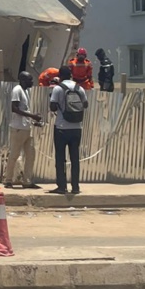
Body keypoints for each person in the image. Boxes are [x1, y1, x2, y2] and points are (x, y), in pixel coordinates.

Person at [48, 65, 88, 195]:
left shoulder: (58, 89)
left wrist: (59, 104)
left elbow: (53, 107)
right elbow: (85, 104)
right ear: (71, 75)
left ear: (60, 76)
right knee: (75, 158)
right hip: (76, 128)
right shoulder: (79, 88)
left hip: (61, 127)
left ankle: (61, 187)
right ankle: (75, 187)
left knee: (60, 158)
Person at [3, 72, 42, 189]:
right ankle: (8, 180)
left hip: (26, 128)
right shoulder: (17, 90)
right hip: (18, 128)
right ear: (23, 80)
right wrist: (32, 116)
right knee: (14, 154)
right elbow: (14, 108)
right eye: (30, 80)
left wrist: (33, 121)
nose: (32, 82)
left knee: (31, 155)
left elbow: (24, 110)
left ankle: (27, 181)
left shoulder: (26, 91)